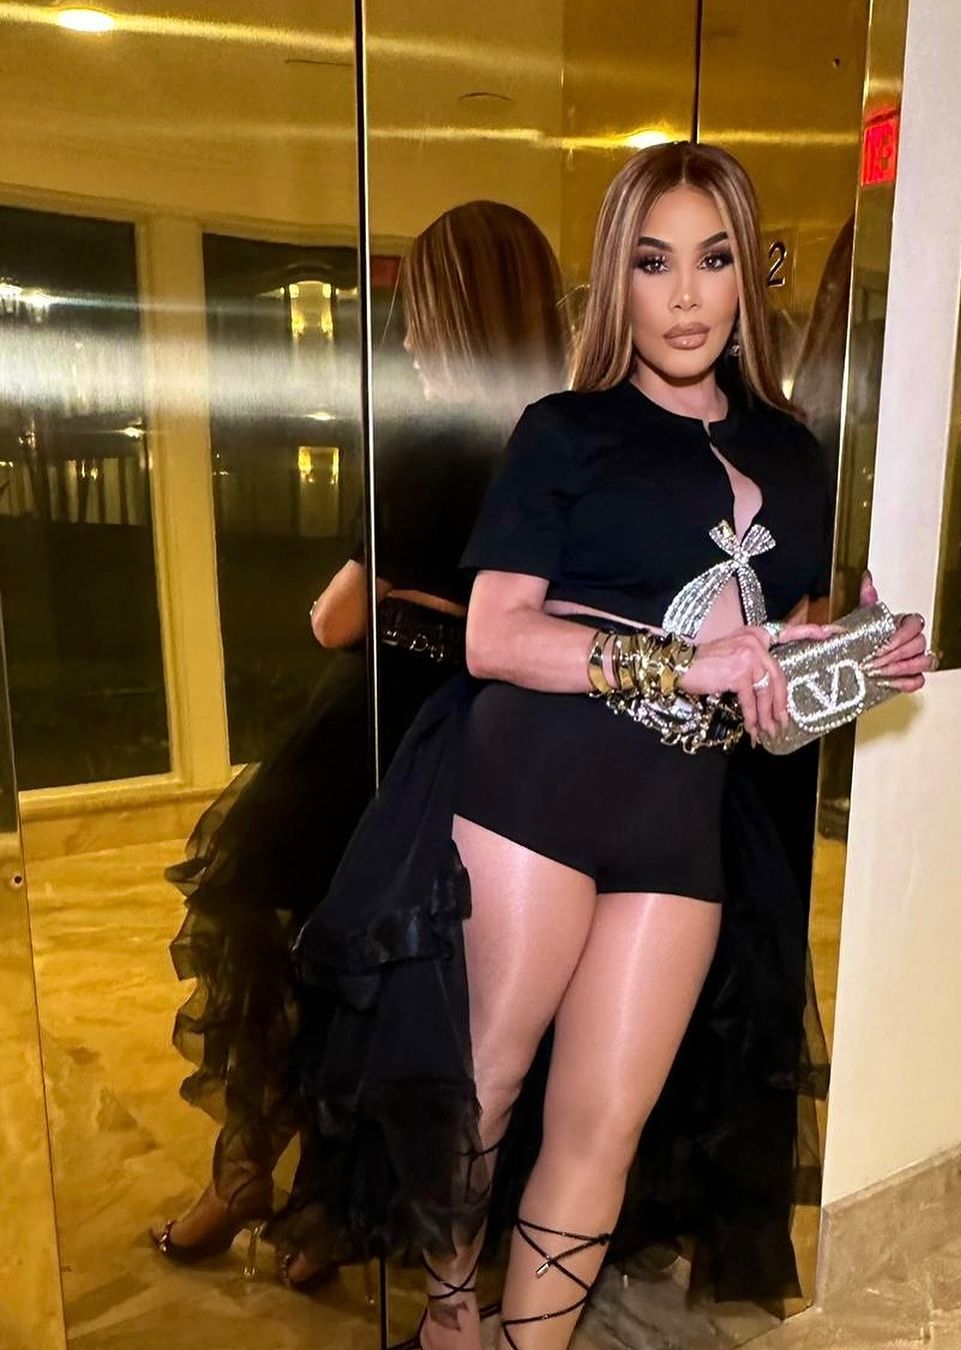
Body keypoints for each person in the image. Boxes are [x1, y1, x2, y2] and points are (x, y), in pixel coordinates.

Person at [291, 141, 932, 1348]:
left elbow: (767, 697)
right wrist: (687, 663)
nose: (686, 296)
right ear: (617, 280)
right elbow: (496, 635)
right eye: (653, 263)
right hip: (532, 794)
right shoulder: (566, 431)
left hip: (679, 824)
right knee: (482, 1095)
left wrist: (853, 666)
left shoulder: (797, 459)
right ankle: (451, 1322)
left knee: (604, 1128)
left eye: (714, 259)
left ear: (747, 277)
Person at [151, 200, 568, 1288]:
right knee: (397, 986)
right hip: (491, 743)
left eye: (423, 309)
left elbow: (336, 621)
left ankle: (245, 1177)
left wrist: (393, 600)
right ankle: (330, 1223)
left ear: (457, 313)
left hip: (371, 735)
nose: (413, 334)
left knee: (275, 930)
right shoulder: (564, 445)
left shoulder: (426, 441)